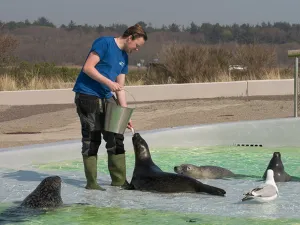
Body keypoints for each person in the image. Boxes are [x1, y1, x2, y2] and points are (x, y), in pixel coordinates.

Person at [72, 24, 147, 190]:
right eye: (137, 45)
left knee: (116, 137)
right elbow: (88, 68)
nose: (137, 49)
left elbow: (120, 88)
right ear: (130, 38)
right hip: (87, 96)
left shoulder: (124, 57)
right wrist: (108, 82)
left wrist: (125, 113)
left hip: (107, 97)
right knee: (92, 139)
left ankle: (119, 181)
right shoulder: (104, 43)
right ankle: (92, 183)